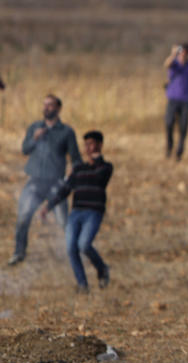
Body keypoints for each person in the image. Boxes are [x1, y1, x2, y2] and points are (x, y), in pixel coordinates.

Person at [9, 94, 81, 266]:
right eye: (44, 105)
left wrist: (72, 174)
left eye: (50, 105)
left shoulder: (66, 132)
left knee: (63, 221)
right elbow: (25, 150)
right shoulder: (35, 127)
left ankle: (73, 253)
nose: (46, 108)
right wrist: (34, 139)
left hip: (56, 182)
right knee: (23, 217)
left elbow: (76, 158)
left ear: (58, 108)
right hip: (35, 181)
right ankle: (19, 253)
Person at [39, 131, 113, 294]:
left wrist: (97, 159)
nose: (88, 147)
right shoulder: (78, 168)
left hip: (93, 212)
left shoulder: (106, 167)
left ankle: (102, 269)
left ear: (100, 145)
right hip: (76, 212)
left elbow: (101, 178)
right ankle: (82, 285)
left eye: (92, 144)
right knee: (71, 248)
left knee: (84, 245)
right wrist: (48, 206)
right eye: (86, 144)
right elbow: (65, 190)